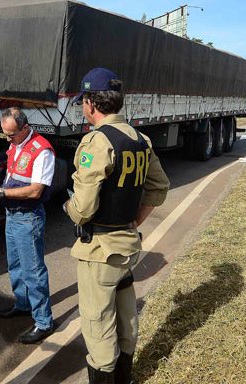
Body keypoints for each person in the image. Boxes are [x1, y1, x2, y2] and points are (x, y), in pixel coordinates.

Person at [63, 68, 170, 384]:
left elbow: (83, 209)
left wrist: (69, 207)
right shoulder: (140, 139)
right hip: (127, 245)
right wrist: (134, 221)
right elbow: (159, 186)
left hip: (100, 252)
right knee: (126, 319)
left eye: (83, 102)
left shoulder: (97, 142)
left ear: (91, 103)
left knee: (98, 328)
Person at [0, 107, 56, 344]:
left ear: (25, 128)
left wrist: (0, 192)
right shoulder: (16, 144)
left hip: (28, 217)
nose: (8, 139)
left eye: (11, 135)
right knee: (15, 265)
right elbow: (14, 174)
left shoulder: (42, 150)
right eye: (4, 134)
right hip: (12, 214)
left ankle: (44, 321)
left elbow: (36, 191)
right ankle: (24, 304)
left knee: (33, 270)